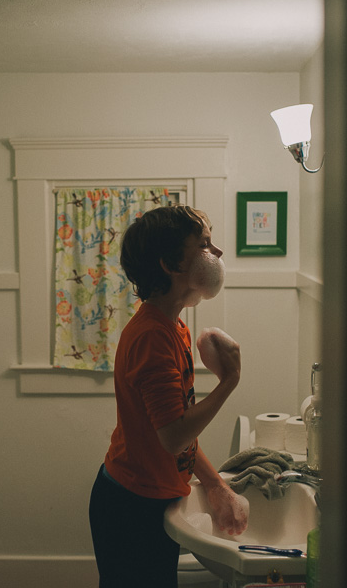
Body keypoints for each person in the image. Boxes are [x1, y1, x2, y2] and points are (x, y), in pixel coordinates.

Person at [89, 205, 248, 588]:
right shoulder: (153, 338)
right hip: (131, 507)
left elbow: (178, 435)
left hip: (147, 496)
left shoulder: (173, 326)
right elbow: (174, 435)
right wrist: (229, 381)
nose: (218, 254)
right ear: (171, 265)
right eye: (205, 244)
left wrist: (215, 484)